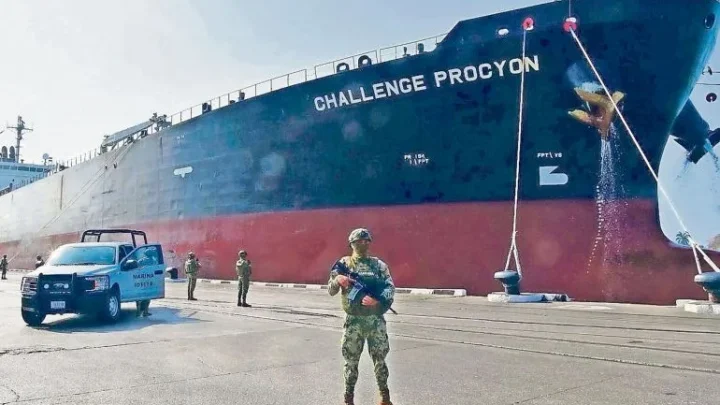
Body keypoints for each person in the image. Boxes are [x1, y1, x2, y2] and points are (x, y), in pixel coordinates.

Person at [328, 228, 395, 405]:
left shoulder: (379, 265)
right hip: (353, 321)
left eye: (366, 241)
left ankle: (384, 397)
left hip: (375, 321)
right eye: (359, 242)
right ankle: (348, 398)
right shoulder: (344, 264)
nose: (363, 244)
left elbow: (390, 288)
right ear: (351, 244)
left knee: (380, 360)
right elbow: (331, 290)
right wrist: (338, 280)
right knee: (351, 362)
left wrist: (376, 300)